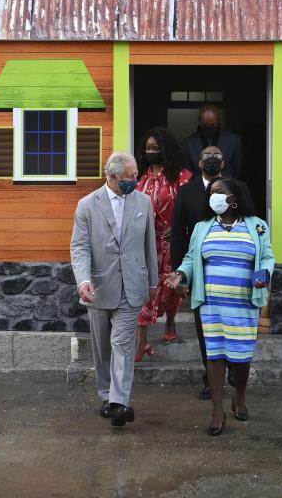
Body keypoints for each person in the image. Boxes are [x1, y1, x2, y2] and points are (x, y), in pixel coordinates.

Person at [166, 179, 274, 436]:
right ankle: (217, 411)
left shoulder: (257, 226)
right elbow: (192, 258)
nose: (213, 196)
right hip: (212, 303)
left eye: (218, 192)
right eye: (210, 193)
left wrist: (264, 273)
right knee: (214, 356)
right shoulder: (202, 227)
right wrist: (180, 274)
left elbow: (268, 256)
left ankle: (239, 396)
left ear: (233, 196)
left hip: (244, 303)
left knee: (241, 357)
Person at [70, 152, 158, 427]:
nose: (136, 180)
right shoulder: (87, 205)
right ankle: (107, 395)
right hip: (98, 286)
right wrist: (83, 280)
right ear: (112, 177)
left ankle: (120, 402)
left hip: (132, 285)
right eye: (130, 176)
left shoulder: (143, 202)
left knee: (122, 343)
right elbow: (80, 247)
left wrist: (153, 283)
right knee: (102, 348)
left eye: (136, 175)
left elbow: (149, 245)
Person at [170, 145, 224, 400]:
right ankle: (210, 378)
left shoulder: (235, 188)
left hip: (229, 270)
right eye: (207, 156)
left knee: (229, 326)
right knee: (204, 327)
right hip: (199, 270)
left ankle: (233, 370)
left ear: (223, 163)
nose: (212, 160)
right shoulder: (186, 192)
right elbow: (178, 235)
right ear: (199, 163)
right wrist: (179, 273)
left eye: (217, 156)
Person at [134, 128, 193, 361]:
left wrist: (180, 228)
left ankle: (170, 320)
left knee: (170, 287)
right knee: (143, 289)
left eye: (156, 149)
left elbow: (191, 207)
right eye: (148, 149)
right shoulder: (139, 177)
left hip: (171, 243)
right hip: (144, 243)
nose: (151, 152)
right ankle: (142, 340)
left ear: (165, 150)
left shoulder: (182, 177)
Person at [181, 103, 243, 180]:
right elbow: (187, 174)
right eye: (205, 125)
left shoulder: (233, 141)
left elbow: (237, 170)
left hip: (226, 187)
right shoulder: (188, 144)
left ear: (218, 121)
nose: (208, 128)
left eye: (213, 125)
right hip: (198, 188)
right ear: (199, 122)